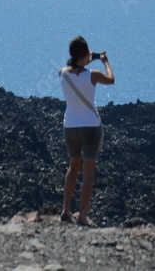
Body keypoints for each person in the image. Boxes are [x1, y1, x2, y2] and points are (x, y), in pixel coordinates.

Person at [59, 35, 114, 226]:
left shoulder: (63, 74)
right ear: (84, 54)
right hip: (90, 127)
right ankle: (82, 215)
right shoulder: (94, 75)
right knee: (88, 173)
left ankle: (66, 210)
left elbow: (72, 68)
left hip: (70, 127)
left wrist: (83, 59)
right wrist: (105, 62)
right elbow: (111, 79)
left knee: (73, 167)